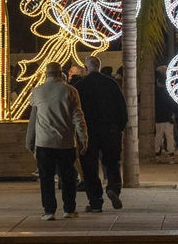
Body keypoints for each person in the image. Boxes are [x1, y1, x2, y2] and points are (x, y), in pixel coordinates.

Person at [25, 63, 86, 220]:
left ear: (46, 74)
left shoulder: (37, 92)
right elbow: (78, 117)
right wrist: (83, 138)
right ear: (61, 73)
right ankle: (69, 209)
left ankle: (49, 211)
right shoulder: (70, 91)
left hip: (44, 142)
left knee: (46, 178)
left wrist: (29, 141)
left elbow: (33, 118)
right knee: (68, 177)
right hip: (66, 142)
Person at [71, 55, 128, 212]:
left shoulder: (80, 86)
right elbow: (122, 108)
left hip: (89, 131)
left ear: (86, 68)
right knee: (112, 162)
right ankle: (113, 188)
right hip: (110, 130)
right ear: (100, 67)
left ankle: (95, 202)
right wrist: (120, 128)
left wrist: (78, 133)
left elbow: (76, 111)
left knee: (89, 167)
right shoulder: (111, 83)